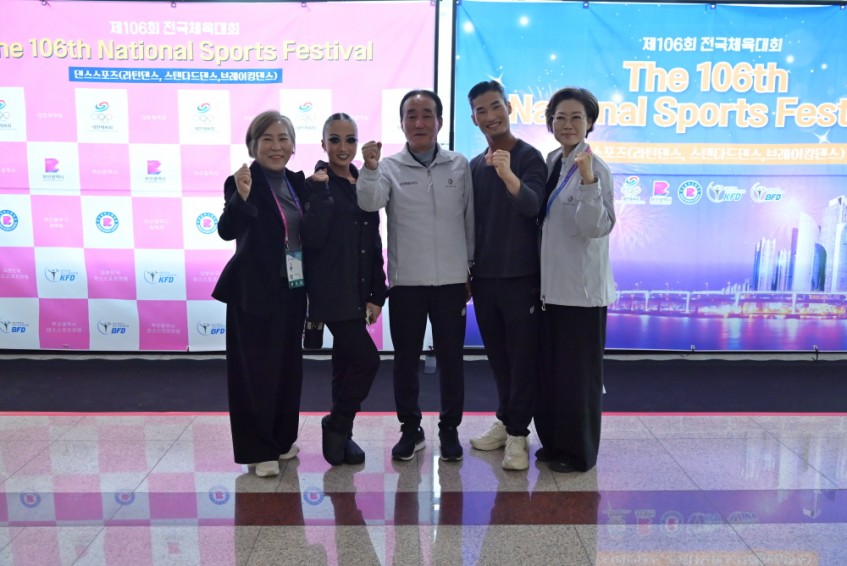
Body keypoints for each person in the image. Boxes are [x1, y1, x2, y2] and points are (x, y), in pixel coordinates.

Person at [357, 89, 474, 462]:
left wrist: (470, 268)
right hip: (406, 283)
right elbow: (369, 202)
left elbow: (469, 220)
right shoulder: (389, 166)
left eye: (427, 115)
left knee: (452, 361)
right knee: (405, 361)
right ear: (402, 122)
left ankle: (450, 429)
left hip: (451, 282)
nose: (419, 122)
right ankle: (411, 429)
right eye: (411, 115)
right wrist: (370, 168)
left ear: (440, 121)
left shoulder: (459, 165)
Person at [212, 110, 307, 478]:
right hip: (252, 292)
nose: (276, 146)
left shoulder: (298, 182)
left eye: (283, 139)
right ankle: (257, 448)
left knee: (287, 367)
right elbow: (227, 230)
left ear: (293, 146)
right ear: (253, 145)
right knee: (254, 374)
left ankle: (281, 440)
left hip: (293, 288)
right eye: (267, 139)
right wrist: (241, 197)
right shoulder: (242, 180)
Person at [465, 80, 547, 471]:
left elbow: (532, 206)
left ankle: (518, 434)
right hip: (485, 279)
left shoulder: (529, 157)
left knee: (522, 359)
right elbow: (469, 224)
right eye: (481, 110)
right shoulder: (473, 166)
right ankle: (505, 419)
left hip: (521, 277)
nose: (490, 116)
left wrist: (507, 173)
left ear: (509, 108)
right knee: (498, 357)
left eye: (495, 106)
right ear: (473, 119)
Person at [535, 87, 616, 473]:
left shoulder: (596, 168)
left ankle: (579, 452)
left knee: (578, 381)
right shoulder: (553, 160)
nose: (567, 124)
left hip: (582, 294)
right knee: (552, 375)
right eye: (560, 117)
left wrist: (587, 183)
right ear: (550, 122)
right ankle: (553, 443)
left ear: (590, 123)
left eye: (576, 118)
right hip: (551, 291)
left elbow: (595, 227)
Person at [301, 113, 387, 466]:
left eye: (350, 139)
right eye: (334, 139)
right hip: (330, 290)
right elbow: (312, 239)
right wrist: (320, 193)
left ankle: (343, 434)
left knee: (346, 361)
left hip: (359, 289)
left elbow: (373, 241)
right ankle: (337, 424)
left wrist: (377, 293)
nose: (342, 147)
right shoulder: (314, 184)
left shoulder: (363, 180)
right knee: (367, 359)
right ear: (323, 143)